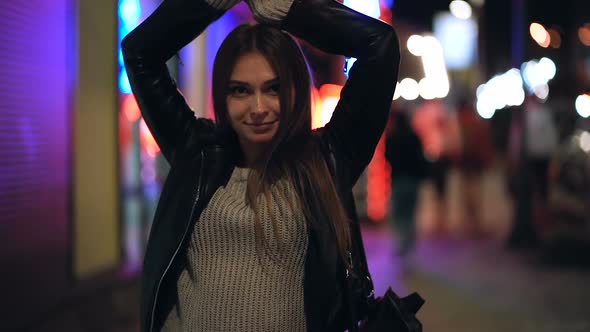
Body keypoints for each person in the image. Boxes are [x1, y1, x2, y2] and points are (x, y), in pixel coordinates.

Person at [122, 0, 400, 331]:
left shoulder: (327, 159)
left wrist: (293, 12)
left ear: (296, 89)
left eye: (274, 89)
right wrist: (203, 5)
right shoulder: (196, 154)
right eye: (240, 90)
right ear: (222, 97)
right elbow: (140, 53)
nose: (258, 107)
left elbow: (379, 46)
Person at [385, 110, 429, 257]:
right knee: (410, 212)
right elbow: (421, 156)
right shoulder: (414, 136)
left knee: (398, 213)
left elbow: (387, 156)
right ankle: (409, 241)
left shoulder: (392, 137)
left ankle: (401, 242)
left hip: (398, 179)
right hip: (412, 180)